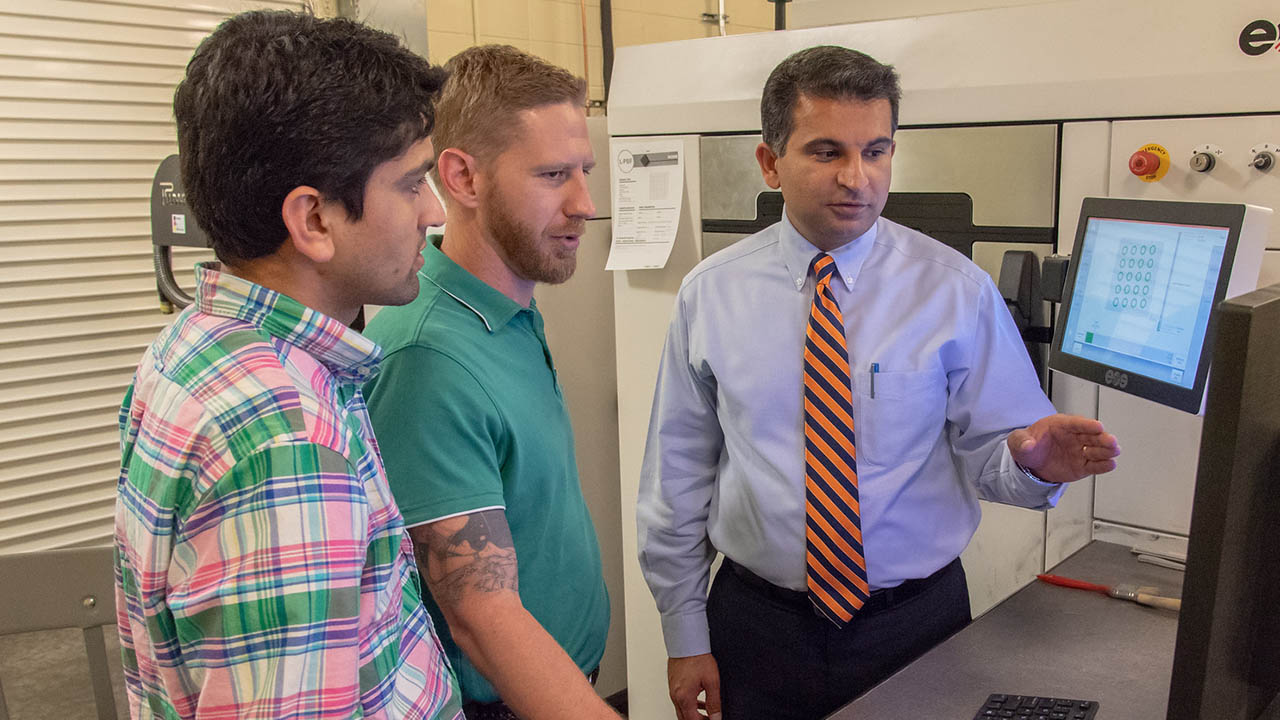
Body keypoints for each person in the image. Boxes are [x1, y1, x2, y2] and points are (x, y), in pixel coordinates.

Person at [637, 45, 1122, 720]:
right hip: (757, 628)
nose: (856, 177)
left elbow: (997, 458)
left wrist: (1033, 462)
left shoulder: (956, 292)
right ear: (771, 162)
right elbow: (677, 478)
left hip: (916, 625)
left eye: (877, 151)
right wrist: (684, 635)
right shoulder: (709, 295)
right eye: (827, 151)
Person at [113, 11, 463, 719]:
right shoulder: (287, 440)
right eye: (411, 183)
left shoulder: (195, 343)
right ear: (313, 220)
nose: (434, 211)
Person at [362, 45, 618, 720]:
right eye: (554, 174)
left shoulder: (505, 310)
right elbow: (481, 618)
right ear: (464, 179)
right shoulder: (428, 359)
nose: (585, 204)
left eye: (584, 172)